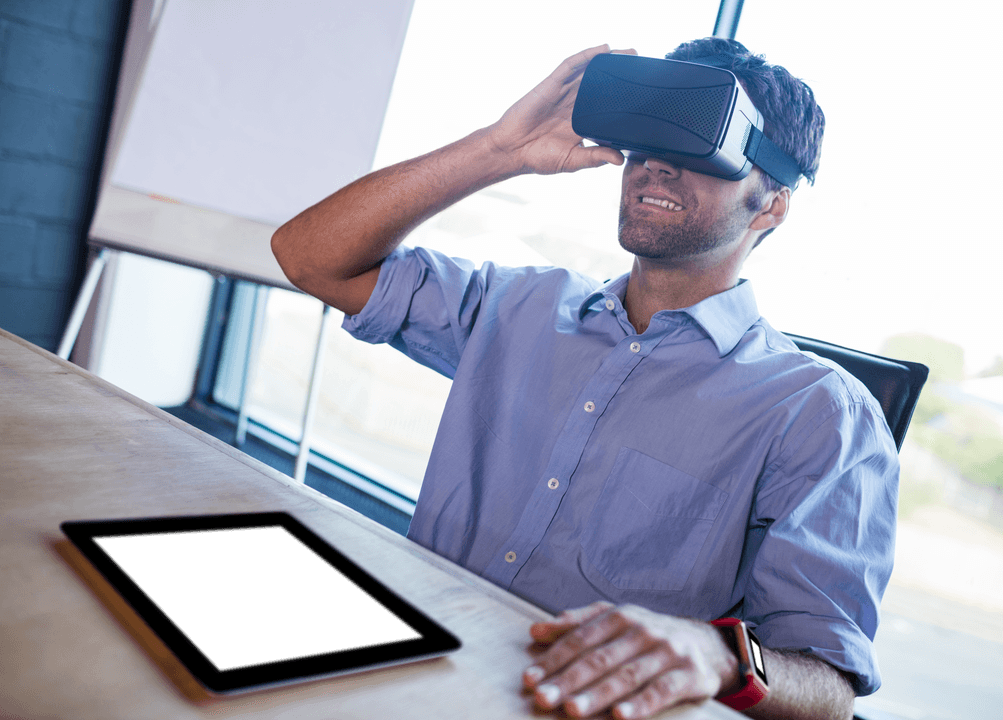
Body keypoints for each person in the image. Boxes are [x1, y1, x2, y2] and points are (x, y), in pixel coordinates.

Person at [272, 37, 899, 720]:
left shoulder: (817, 412)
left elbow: (828, 691)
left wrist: (716, 656)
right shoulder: (517, 307)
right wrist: (500, 151)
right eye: (648, 140)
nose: (658, 165)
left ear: (771, 204)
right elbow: (310, 257)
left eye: (700, 147)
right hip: (399, 680)